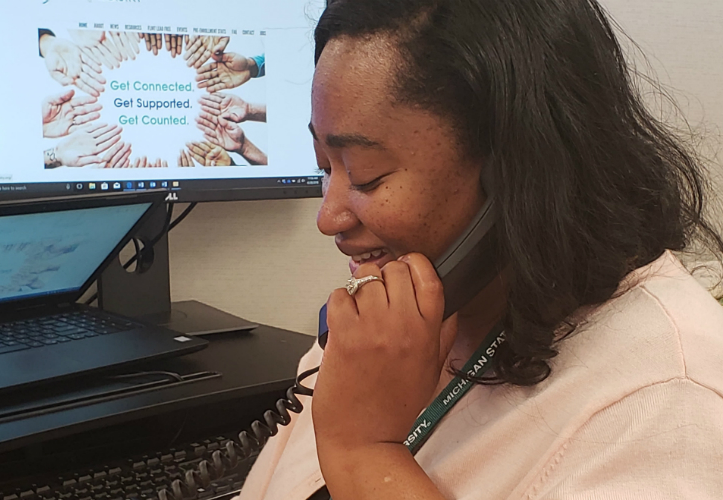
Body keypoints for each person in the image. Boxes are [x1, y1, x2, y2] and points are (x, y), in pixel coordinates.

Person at [238, 0, 723, 499]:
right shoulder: (394, 325)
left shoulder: (669, 401)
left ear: (518, 174)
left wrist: (364, 454)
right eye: (324, 166)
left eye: (366, 174)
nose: (329, 217)